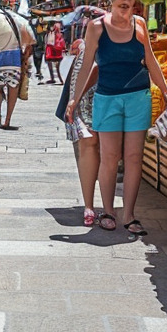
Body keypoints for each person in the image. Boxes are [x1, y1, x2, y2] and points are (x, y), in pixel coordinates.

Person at [66, 0, 167, 236]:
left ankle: (130, 215)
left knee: (134, 158)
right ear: (111, 4)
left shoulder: (140, 25)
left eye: (131, 7)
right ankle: (109, 212)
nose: (126, 12)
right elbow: (88, 64)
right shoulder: (97, 28)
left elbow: (151, 60)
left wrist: (166, 89)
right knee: (110, 158)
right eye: (122, 6)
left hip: (138, 97)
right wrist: (74, 99)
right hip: (107, 98)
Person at [58, 37, 100, 226]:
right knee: (89, 143)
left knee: (92, 145)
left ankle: (94, 207)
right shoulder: (96, 34)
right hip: (89, 93)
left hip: (107, 90)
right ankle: (91, 206)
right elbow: (92, 68)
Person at [0, 0, 35, 131]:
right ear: (14, 5)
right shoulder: (22, 21)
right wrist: (24, 57)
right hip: (15, 57)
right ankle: (7, 120)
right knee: (13, 87)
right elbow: (31, 42)